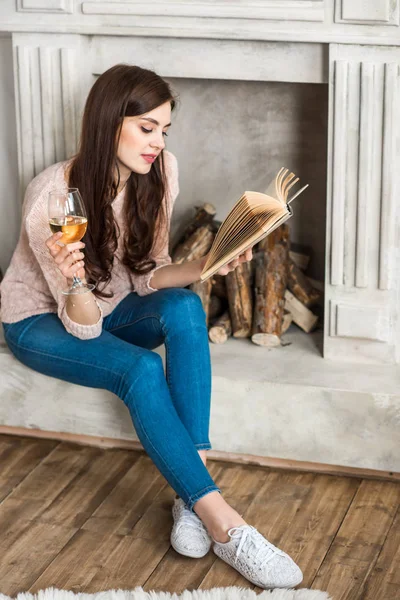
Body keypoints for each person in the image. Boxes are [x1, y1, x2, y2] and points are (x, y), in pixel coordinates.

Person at [0, 64, 302, 590]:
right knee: (140, 368)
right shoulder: (54, 196)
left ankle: (190, 495)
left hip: (109, 304)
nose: (158, 142)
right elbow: (85, 329)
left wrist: (208, 263)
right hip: (44, 319)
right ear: (110, 122)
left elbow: (148, 275)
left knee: (185, 306)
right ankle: (226, 526)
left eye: (165, 130)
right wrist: (73, 282)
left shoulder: (159, 172)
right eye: (147, 128)